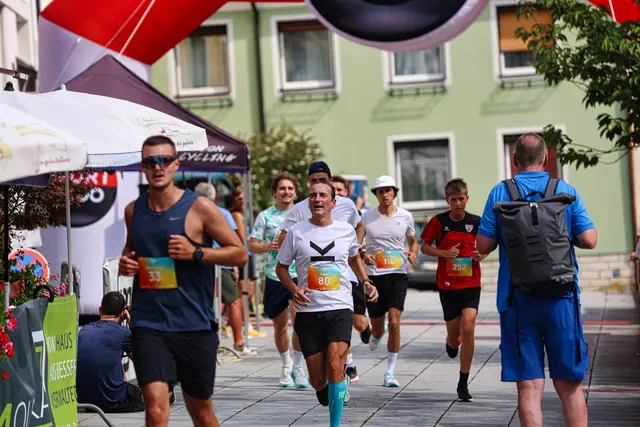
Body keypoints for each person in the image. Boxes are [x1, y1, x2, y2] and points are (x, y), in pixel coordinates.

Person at [119, 135, 247, 427]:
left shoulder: (199, 207)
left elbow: (240, 253)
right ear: (143, 167)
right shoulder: (133, 210)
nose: (158, 166)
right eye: (150, 161)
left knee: (201, 413)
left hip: (193, 325)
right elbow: (130, 250)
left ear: (176, 164)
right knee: (155, 410)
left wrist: (197, 252)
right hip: (149, 324)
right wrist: (127, 262)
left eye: (164, 160)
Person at [476, 133, 597, 427]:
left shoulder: (500, 193)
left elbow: (483, 245)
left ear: (514, 160)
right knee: (570, 386)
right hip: (562, 299)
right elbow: (590, 240)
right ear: (546, 158)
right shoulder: (564, 190)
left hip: (517, 301)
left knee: (529, 387)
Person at [275, 182, 378, 427]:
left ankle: (335, 423)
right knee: (318, 379)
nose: (317, 199)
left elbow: (354, 257)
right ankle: (326, 388)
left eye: (323, 195)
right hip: (309, 309)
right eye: (313, 195)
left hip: (339, 306)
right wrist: (294, 289)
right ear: (309, 201)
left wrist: (366, 282)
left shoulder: (345, 230)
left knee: (335, 363)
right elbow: (281, 268)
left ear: (333, 202)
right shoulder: (297, 231)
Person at [420, 178, 486, 402]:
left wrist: (481, 254)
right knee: (456, 338)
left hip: (470, 284)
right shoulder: (439, 222)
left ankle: (463, 382)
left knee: (469, 327)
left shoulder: (476, 222)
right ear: (447, 200)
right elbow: (424, 246)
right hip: (447, 286)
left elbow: (486, 246)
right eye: (454, 199)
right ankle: (450, 342)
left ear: (467, 198)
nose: (458, 203)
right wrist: (444, 253)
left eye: (461, 199)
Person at [248, 172, 309, 388]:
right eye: (282, 188)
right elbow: (252, 244)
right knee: (280, 327)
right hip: (274, 276)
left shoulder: (304, 214)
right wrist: (268, 246)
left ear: (295, 192)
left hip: (298, 274)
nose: (286, 192)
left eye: (290, 189)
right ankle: (286, 364)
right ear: (275, 192)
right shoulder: (265, 216)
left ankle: (299, 367)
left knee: (300, 323)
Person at [361, 176, 418, 388]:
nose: (385, 195)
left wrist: (413, 254)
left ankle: (390, 372)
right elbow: (357, 245)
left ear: (394, 192)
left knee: (394, 322)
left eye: (388, 190)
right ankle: (377, 334)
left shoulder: (406, 216)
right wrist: (364, 254)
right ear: (376, 194)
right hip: (374, 276)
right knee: (377, 329)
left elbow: (413, 242)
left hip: (397, 274)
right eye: (381, 191)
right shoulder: (367, 217)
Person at [194, 182, 255, 356]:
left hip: (200, 262)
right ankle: (238, 342)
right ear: (215, 196)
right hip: (221, 263)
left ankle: (209, 339)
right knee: (233, 301)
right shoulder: (222, 213)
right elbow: (234, 241)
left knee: (211, 302)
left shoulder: (190, 212)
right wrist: (234, 265)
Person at [77, 292, 145, 413]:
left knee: (113, 354)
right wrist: (131, 324)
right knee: (158, 391)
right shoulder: (123, 332)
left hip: (86, 401)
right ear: (123, 313)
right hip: (112, 401)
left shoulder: (84, 330)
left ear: (100, 310)